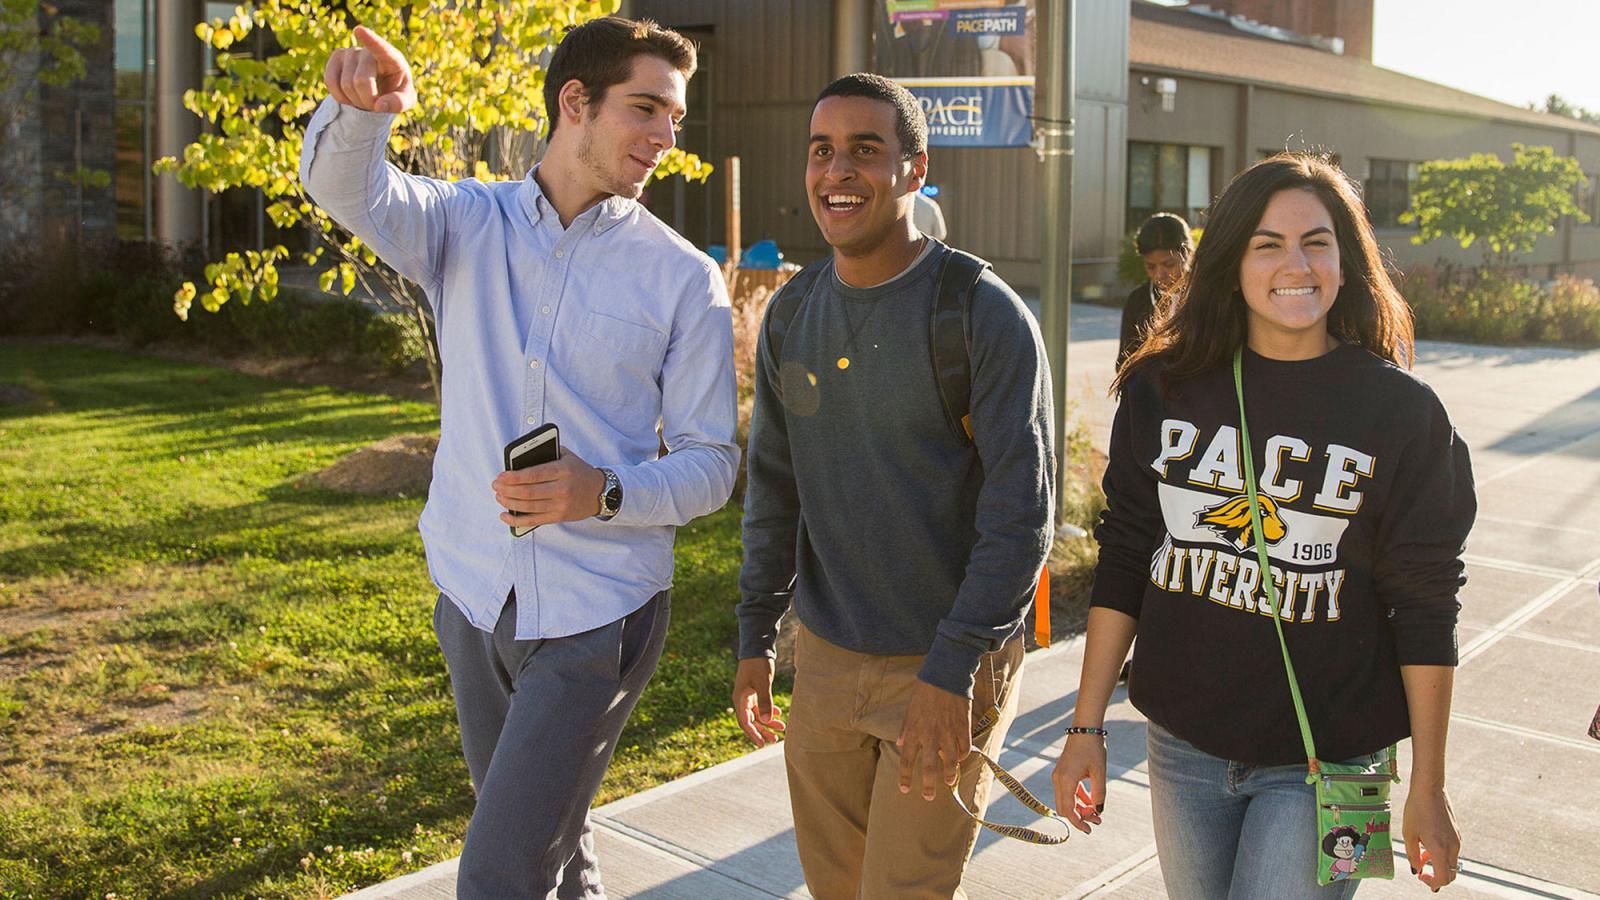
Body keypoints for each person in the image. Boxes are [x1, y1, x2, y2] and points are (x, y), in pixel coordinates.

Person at [300, 18, 738, 898]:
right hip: (472, 597)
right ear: (575, 102)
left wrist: (601, 492)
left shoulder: (683, 278)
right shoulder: (463, 223)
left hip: (596, 615)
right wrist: (361, 114)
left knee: (499, 871)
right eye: (646, 109)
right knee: (550, 848)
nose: (664, 137)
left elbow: (712, 464)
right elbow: (346, 189)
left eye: (675, 120)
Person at [1051, 153, 1474, 899]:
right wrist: (1084, 730)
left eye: (1316, 241)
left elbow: (1428, 604)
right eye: (1267, 244)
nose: (1295, 263)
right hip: (1183, 746)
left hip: (1333, 760)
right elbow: (1125, 554)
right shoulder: (1166, 389)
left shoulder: (1403, 415)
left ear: (1346, 261)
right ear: (1232, 262)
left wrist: (1429, 787)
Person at [733, 73, 1054, 898]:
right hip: (831, 661)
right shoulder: (793, 312)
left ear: (914, 169)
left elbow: (1023, 516)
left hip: (945, 659)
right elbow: (774, 488)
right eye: (821, 151)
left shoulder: (980, 313)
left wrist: (952, 671)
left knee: (903, 891)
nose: (837, 172)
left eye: (864, 151)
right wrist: (755, 638)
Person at [1118, 212, 1193, 368]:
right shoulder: (1137, 301)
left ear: (1187, 254)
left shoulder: (1206, 295)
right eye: (1150, 266)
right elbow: (1124, 362)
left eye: (1169, 264)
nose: (1159, 274)